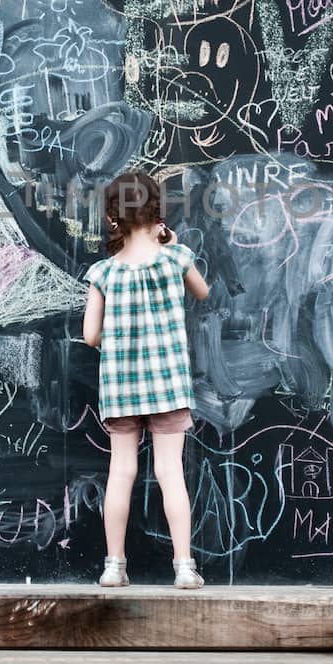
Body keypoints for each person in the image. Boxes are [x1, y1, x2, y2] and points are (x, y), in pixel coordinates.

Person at [82, 172, 210, 590]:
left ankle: (114, 566)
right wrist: (170, 242)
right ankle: (184, 567)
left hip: (121, 386)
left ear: (111, 218)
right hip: (169, 384)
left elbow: (90, 336)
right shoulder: (175, 259)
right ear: (157, 213)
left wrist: (118, 340)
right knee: (170, 472)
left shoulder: (103, 272)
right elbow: (203, 293)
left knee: (121, 471)